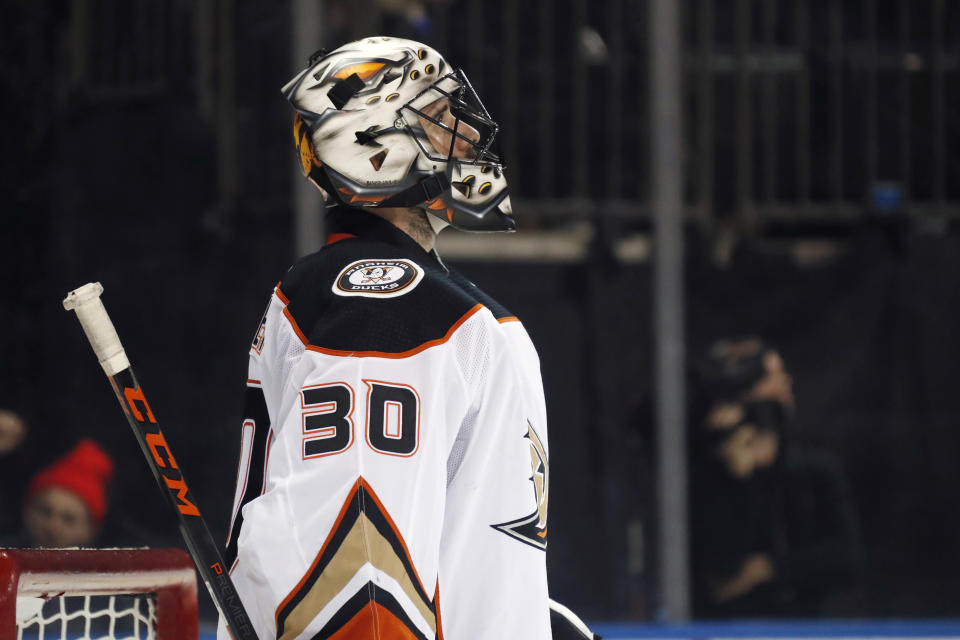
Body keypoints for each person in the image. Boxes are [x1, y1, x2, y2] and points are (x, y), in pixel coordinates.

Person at [221, 37, 569, 640]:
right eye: (437, 117)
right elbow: (355, 558)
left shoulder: (422, 299)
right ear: (374, 148)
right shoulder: (383, 302)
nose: (466, 135)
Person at [2, 439, 114, 549]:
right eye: (45, 512)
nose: (52, 527)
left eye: (68, 519)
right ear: (27, 510)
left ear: (91, 530)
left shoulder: (107, 566)